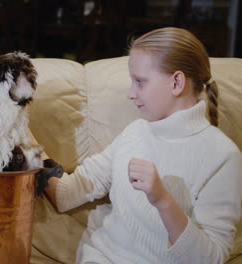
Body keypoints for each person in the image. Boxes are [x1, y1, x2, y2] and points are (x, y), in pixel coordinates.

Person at [38, 27, 242, 264]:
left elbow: (209, 259)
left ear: (176, 82)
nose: (131, 94)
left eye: (140, 82)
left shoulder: (223, 157)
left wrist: (163, 200)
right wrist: (24, 141)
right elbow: (66, 194)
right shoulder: (135, 132)